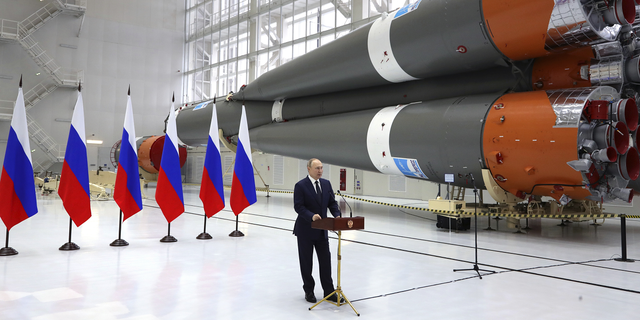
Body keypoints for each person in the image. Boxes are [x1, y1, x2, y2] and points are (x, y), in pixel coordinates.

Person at [293, 158, 343, 304]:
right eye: (317, 168)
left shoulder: (326, 184)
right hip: (305, 230)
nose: (320, 171)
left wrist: (337, 215)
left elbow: (332, 203)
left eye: (321, 168)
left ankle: (329, 292)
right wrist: (311, 216)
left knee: (325, 262)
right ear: (309, 169)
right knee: (306, 262)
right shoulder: (300, 186)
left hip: (322, 230)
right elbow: (298, 207)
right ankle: (309, 291)